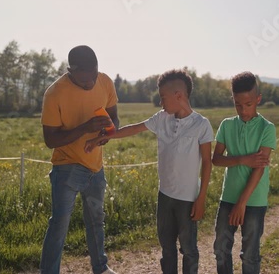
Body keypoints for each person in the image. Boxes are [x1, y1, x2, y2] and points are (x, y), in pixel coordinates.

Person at [85, 69, 214, 274]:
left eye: (163, 98)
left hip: (188, 199)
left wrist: (201, 198)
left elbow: (207, 162)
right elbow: (134, 128)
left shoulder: (201, 125)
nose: (161, 103)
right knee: (167, 248)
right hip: (164, 196)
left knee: (189, 249)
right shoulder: (162, 118)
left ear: (178, 95)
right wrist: (100, 139)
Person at [40, 45, 120, 274]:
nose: (90, 84)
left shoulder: (105, 81)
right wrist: (85, 127)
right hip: (67, 168)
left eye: (93, 77)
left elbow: (114, 117)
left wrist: (108, 133)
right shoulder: (54, 93)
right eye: (84, 81)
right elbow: (50, 139)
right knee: (59, 225)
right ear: (70, 71)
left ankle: (100, 268)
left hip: (96, 166)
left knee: (96, 220)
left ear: (97, 69)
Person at [212, 71, 276, 274]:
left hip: (254, 201)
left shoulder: (267, 128)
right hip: (227, 198)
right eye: (238, 105)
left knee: (250, 254)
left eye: (248, 104)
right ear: (233, 100)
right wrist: (241, 159)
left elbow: (259, 168)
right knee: (221, 248)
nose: (243, 110)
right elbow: (216, 159)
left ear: (258, 99)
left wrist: (242, 203)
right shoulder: (226, 125)